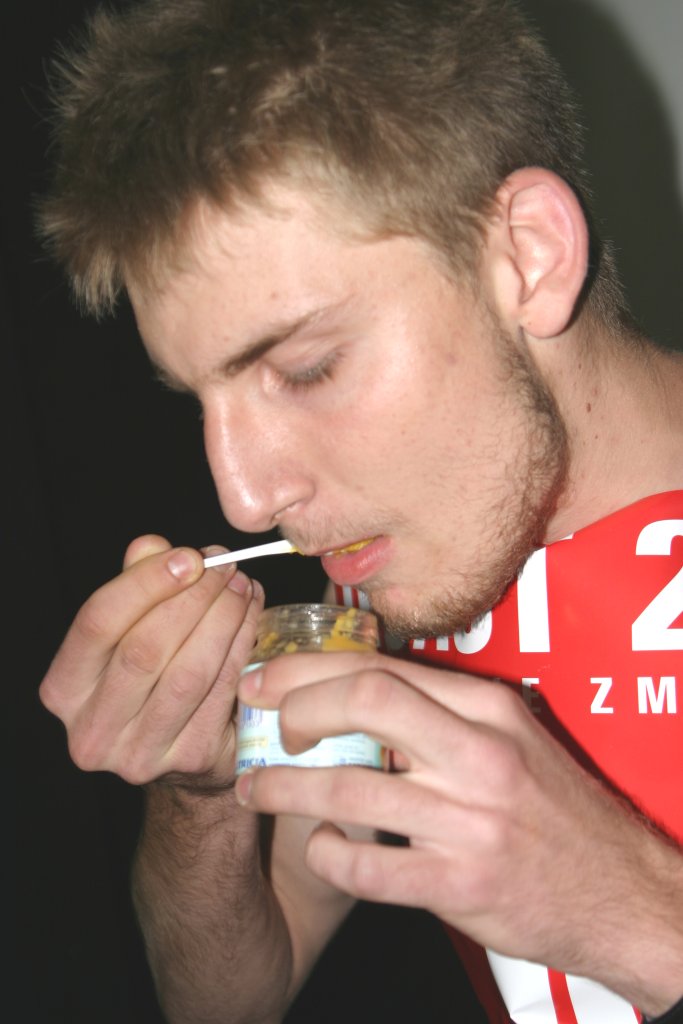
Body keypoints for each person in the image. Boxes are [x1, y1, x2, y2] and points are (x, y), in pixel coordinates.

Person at [37, 0, 683, 1021]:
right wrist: (199, 791)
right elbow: (229, 999)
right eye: (200, 402)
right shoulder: (387, 577)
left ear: (527, 255)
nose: (246, 496)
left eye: (306, 368)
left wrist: (631, 911)